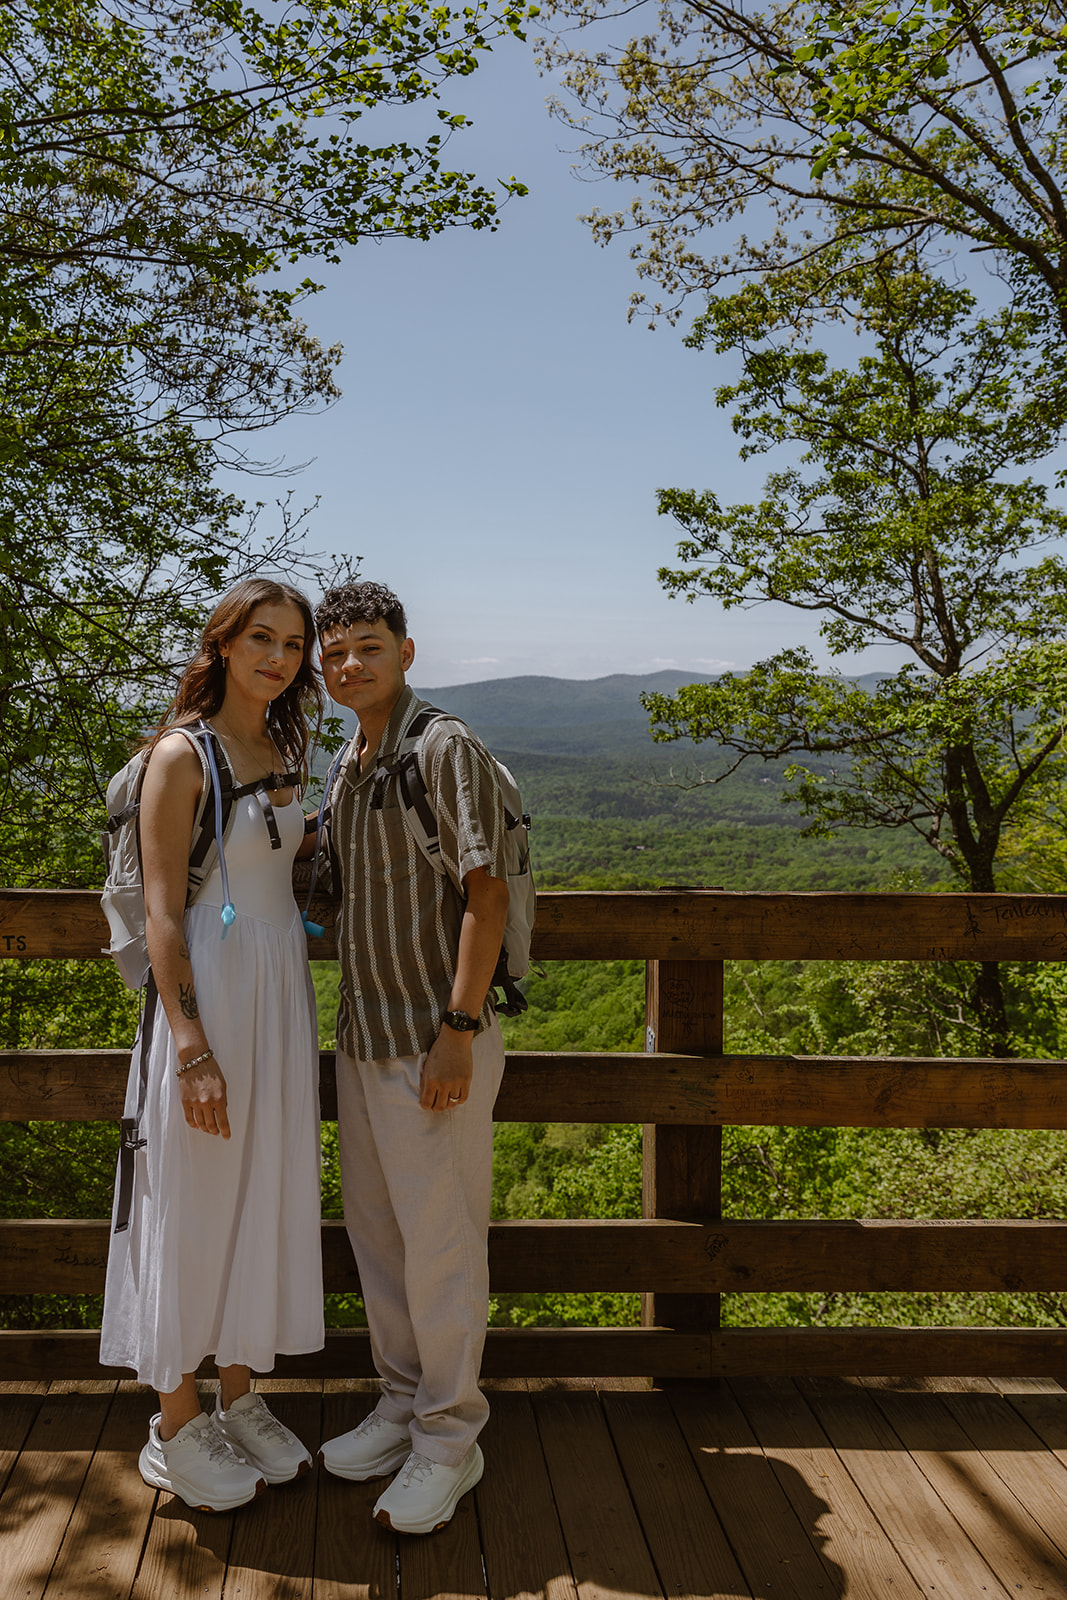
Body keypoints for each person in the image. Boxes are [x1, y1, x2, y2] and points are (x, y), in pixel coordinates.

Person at [101, 578, 325, 1512]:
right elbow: (161, 915)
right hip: (208, 1000)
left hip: (277, 992)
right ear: (223, 644)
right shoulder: (177, 758)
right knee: (187, 1198)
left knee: (259, 1191)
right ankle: (174, 1419)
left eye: (292, 644)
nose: (277, 657)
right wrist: (190, 1044)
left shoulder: (284, 742)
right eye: (260, 638)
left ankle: (239, 1397)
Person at [312, 580, 509, 1535]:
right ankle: (401, 1401)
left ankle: (448, 1437)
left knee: (438, 1245)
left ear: (406, 651)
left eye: (367, 648)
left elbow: (486, 894)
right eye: (335, 652)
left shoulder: (442, 747)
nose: (349, 664)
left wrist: (459, 1030)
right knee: (380, 1235)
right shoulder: (350, 760)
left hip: (434, 1038)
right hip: (364, 1034)